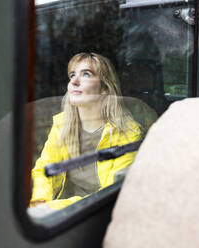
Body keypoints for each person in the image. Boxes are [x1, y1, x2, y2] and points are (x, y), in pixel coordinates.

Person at [30, 53, 141, 211]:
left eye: (86, 74)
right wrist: (40, 202)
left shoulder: (127, 133)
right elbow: (43, 170)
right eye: (72, 75)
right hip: (60, 214)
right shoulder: (62, 124)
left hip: (97, 215)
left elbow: (111, 194)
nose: (74, 82)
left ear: (104, 89)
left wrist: (52, 207)